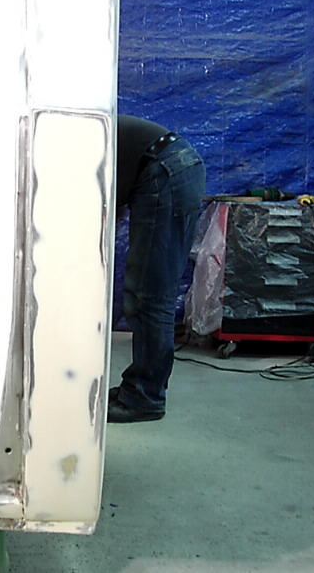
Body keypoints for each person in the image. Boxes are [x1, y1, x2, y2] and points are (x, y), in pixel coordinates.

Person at [107, 114, 206, 423]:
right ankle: (140, 386)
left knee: (150, 295)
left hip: (163, 169)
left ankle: (144, 397)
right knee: (149, 292)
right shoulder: (66, 138)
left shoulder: (57, 148)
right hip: (172, 164)